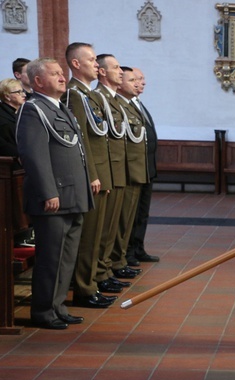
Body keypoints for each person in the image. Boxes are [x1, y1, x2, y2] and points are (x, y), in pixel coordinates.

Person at [16, 57, 93, 329]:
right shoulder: (33, 110)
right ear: (38, 81)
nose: (63, 77)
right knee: (51, 258)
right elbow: (34, 156)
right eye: (55, 74)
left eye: (62, 73)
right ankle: (43, 312)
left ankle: (58, 307)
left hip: (72, 196)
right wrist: (49, 192)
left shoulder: (61, 109)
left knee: (66, 257)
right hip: (53, 198)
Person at [63, 42, 117, 309]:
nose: (97, 65)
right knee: (89, 236)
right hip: (93, 175)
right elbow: (81, 138)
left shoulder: (87, 95)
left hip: (102, 173)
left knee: (97, 235)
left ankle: (91, 283)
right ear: (76, 64)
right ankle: (84, 289)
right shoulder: (74, 94)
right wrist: (93, 175)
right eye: (92, 60)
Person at [94, 53, 140, 294]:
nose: (121, 72)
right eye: (115, 68)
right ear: (101, 71)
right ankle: (101, 272)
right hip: (109, 171)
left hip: (120, 170)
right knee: (105, 228)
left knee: (114, 226)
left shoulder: (114, 101)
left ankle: (108, 268)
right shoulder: (96, 98)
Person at [112, 66, 149, 278]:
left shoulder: (130, 105)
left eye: (140, 79)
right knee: (116, 224)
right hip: (121, 172)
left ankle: (117, 261)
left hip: (135, 170)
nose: (138, 83)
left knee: (127, 220)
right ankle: (110, 265)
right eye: (133, 79)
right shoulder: (116, 105)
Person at [126, 67, 160, 266]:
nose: (142, 83)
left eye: (142, 78)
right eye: (136, 79)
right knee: (132, 214)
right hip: (136, 168)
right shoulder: (125, 105)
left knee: (142, 212)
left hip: (148, 166)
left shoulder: (139, 104)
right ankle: (128, 252)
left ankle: (138, 248)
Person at [0, 78, 25, 158]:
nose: (24, 95)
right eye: (18, 92)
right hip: (12, 162)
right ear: (7, 96)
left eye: (22, 91)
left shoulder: (22, 112)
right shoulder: (2, 115)